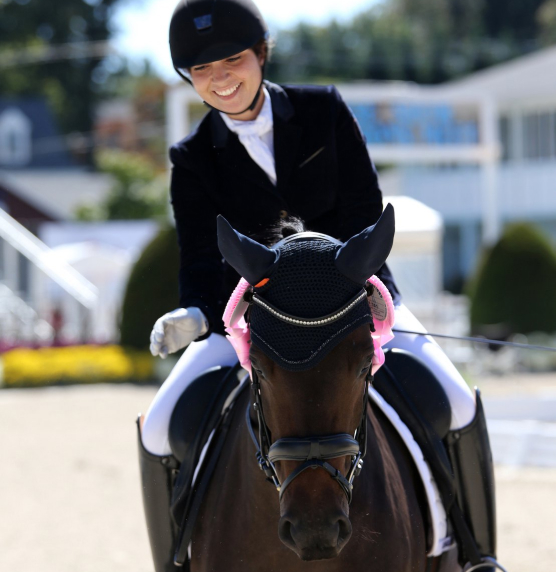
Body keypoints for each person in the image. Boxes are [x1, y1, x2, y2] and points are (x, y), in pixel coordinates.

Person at [137, 0, 495, 570]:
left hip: (353, 303)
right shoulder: (191, 158)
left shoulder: (322, 110)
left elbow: (362, 211)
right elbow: (203, 262)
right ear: (188, 78)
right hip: (252, 320)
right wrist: (196, 315)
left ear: (261, 54)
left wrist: (346, 285)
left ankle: (475, 554)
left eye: (232, 59)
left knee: (453, 398)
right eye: (201, 70)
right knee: (159, 424)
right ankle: (173, 561)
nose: (220, 78)